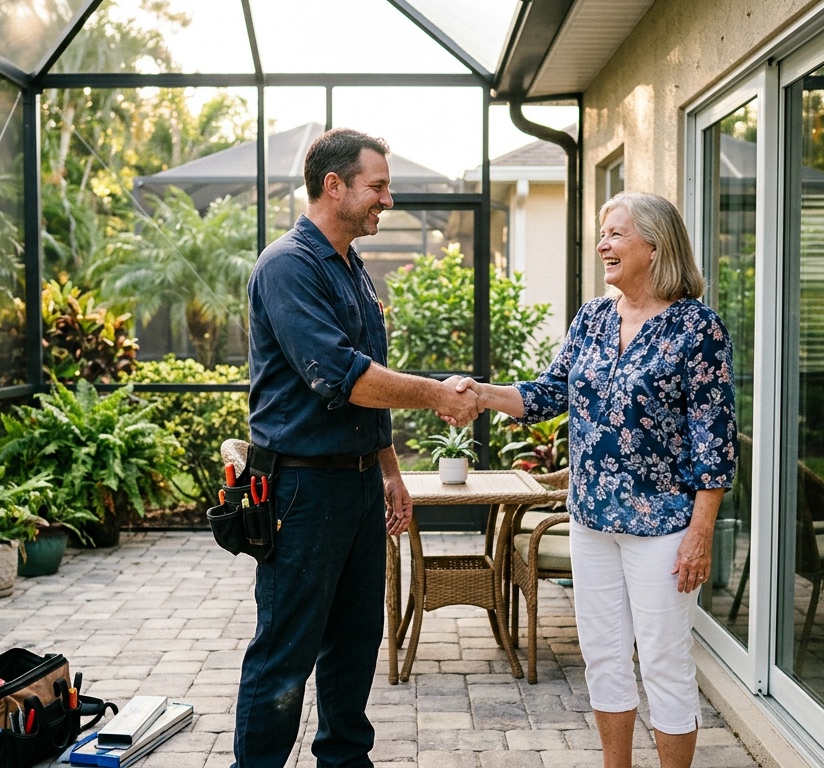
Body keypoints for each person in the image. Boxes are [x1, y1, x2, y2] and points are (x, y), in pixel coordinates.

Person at [454, 191, 736, 768]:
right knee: (604, 655)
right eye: (602, 234)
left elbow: (715, 441)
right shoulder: (593, 318)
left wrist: (701, 530)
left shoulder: (697, 329)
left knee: (664, 659)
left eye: (615, 234)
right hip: (592, 520)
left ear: (655, 246)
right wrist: (483, 395)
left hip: (662, 526)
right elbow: (548, 393)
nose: (603, 245)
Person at [235, 127, 482, 768]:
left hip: (353, 485)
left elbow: (368, 381)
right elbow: (342, 376)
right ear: (334, 185)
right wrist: (436, 395)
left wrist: (391, 472)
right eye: (378, 186)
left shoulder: (351, 268)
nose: (387, 200)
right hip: (299, 489)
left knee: (354, 641)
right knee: (285, 650)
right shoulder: (287, 265)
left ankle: (345, 761)